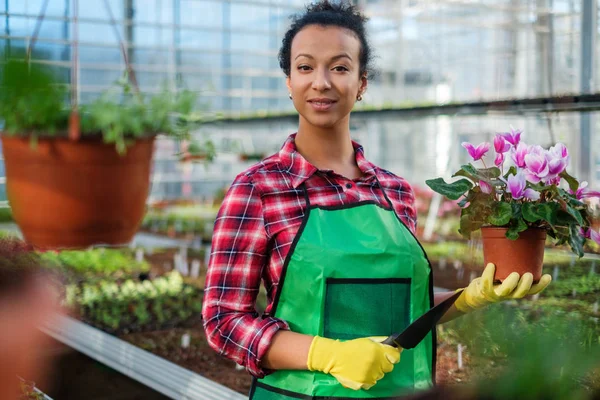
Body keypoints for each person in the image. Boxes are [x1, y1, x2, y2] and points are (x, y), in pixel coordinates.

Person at [201, 1, 552, 399]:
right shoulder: (259, 189)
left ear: (362, 83)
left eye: (339, 67)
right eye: (305, 67)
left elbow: (399, 309)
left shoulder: (394, 191)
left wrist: (470, 298)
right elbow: (223, 321)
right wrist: (325, 353)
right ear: (289, 82)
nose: (321, 82)